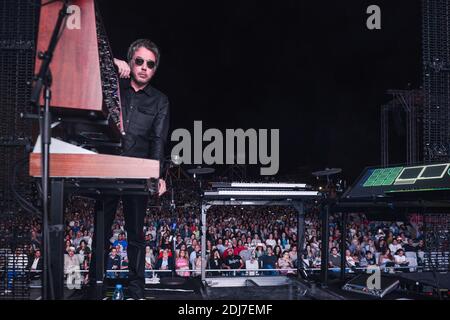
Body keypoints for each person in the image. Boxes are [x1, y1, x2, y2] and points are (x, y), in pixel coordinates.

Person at [90, 39, 170, 300]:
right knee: (101, 233)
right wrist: (111, 64)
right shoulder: (113, 86)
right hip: (108, 168)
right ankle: (96, 287)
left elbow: (158, 140)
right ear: (130, 60)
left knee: (136, 235)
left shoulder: (160, 100)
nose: (144, 67)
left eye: (150, 64)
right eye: (139, 61)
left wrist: (158, 175)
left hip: (138, 174)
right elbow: (87, 66)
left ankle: (137, 290)